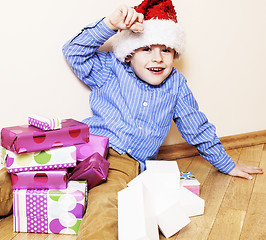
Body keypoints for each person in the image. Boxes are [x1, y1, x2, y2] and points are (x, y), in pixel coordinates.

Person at [0, 0, 263, 239]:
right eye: (147, 48)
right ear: (129, 53)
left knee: (107, 205)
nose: (157, 58)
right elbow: (74, 52)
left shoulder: (176, 85)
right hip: (82, 145)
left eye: (166, 50)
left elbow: (197, 126)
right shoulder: (110, 70)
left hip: (122, 161)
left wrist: (226, 164)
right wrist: (109, 25)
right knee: (19, 176)